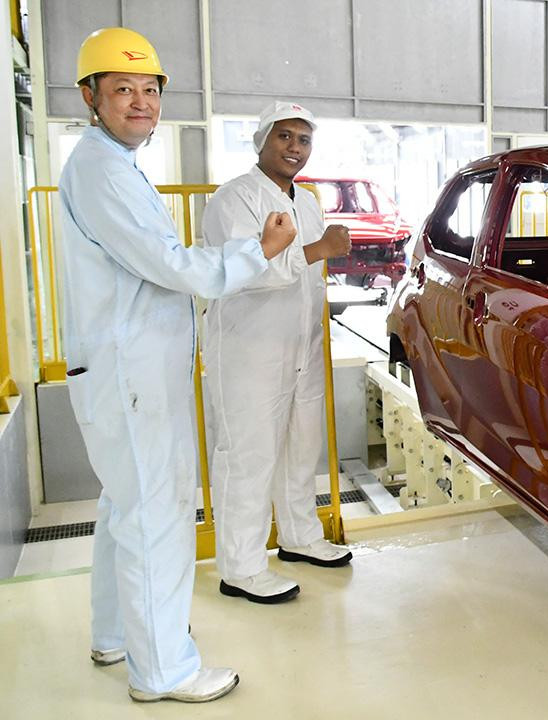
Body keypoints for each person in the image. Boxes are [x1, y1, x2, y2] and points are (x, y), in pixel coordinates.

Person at [59, 28, 296, 702]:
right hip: (131, 372)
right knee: (157, 513)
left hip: (125, 368)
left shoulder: (109, 164)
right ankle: (162, 669)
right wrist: (258, 250)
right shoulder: (104, 171)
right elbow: (173, 266)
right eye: (123, 89)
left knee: (125, 506)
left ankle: (116, 635)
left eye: (150, 90)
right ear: (90, 97)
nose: (141, 102)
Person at [205, 101, 353, 604]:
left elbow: (306, 277)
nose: (295, 148)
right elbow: (246, 271)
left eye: (303, 140)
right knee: (247, 455)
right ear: (262, 141)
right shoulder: (234, 199)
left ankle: (300, 537)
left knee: (300, 445)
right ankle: (241, 567)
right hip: (250, 349)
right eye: (284, 136)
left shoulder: (306, 202)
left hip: (300, 344)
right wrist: (320, 249)